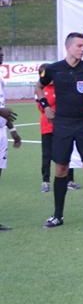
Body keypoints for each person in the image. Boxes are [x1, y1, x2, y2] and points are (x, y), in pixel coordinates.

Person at [35, 32, 83, 227]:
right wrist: (47, 107)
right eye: (79, 46)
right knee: (61, 169)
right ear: (69, 47)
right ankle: (57, 215)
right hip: (62, 125)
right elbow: (38, 87)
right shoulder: (54, 69)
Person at [36, 64, 79, 193]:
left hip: (63, 125)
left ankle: (69, 180)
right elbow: (41, 107)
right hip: (47, 126)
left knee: (67, 153)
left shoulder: (60, 86)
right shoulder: (40, 89)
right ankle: (46, 181)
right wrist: (54, 97)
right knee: (47, 155)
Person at [0, 44, 21, 230]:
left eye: (2, 54)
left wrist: (13, 130)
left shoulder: (0, 78)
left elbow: (3, 109)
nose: (1, 57)